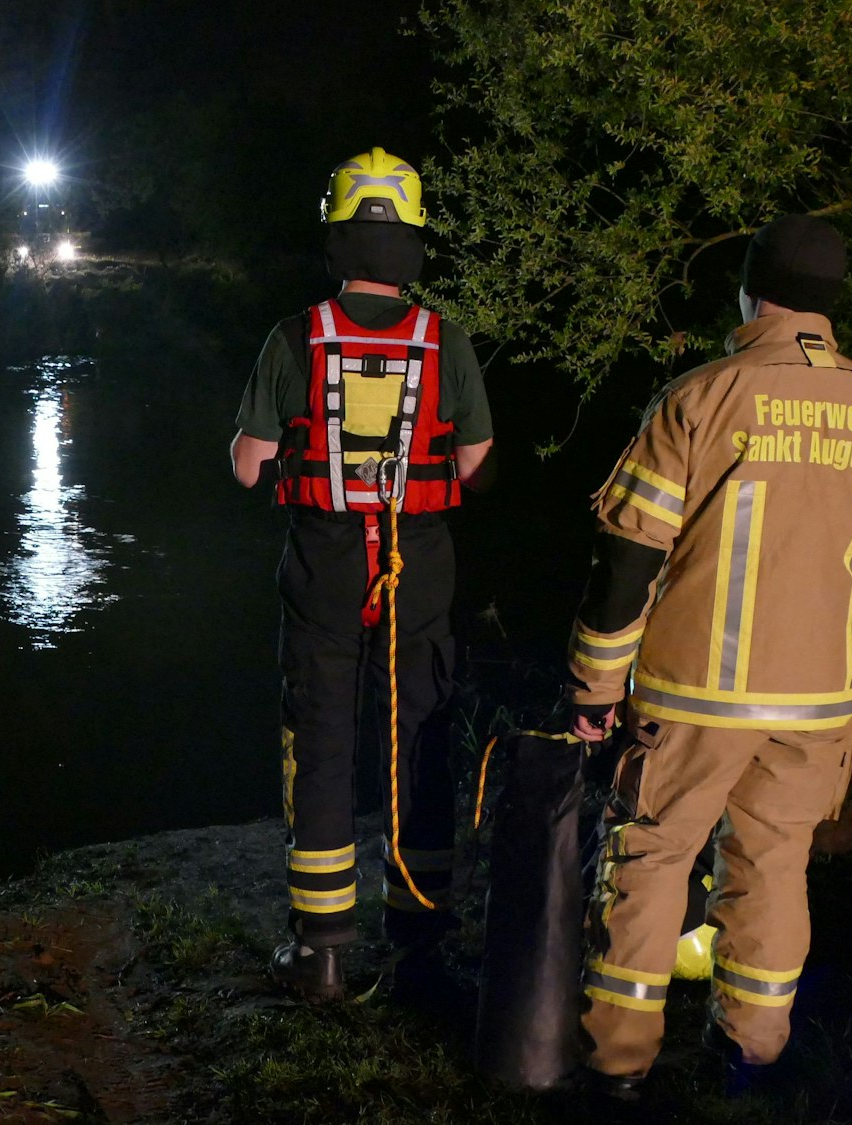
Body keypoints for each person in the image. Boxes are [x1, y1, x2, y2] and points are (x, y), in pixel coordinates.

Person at [563, 214, 852, 1094]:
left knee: (651, 859)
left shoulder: (700, 397)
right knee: (773, 867)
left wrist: (594, 684)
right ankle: (750, 1060)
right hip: (820, 706)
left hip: (694, 697)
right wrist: (842, 643)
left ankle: (618, 1069)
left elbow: (626, 564)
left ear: (750, 290)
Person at [229, 147, 494, 1000]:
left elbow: (249, 467)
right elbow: (479, 462)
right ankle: (418, 938)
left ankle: (323, 951)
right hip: (418, 565)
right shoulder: (445, 340)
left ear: (336, 241)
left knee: (323, 740)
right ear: (414, 246)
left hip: (325, 565)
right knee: (416, 738)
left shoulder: (293, 336)